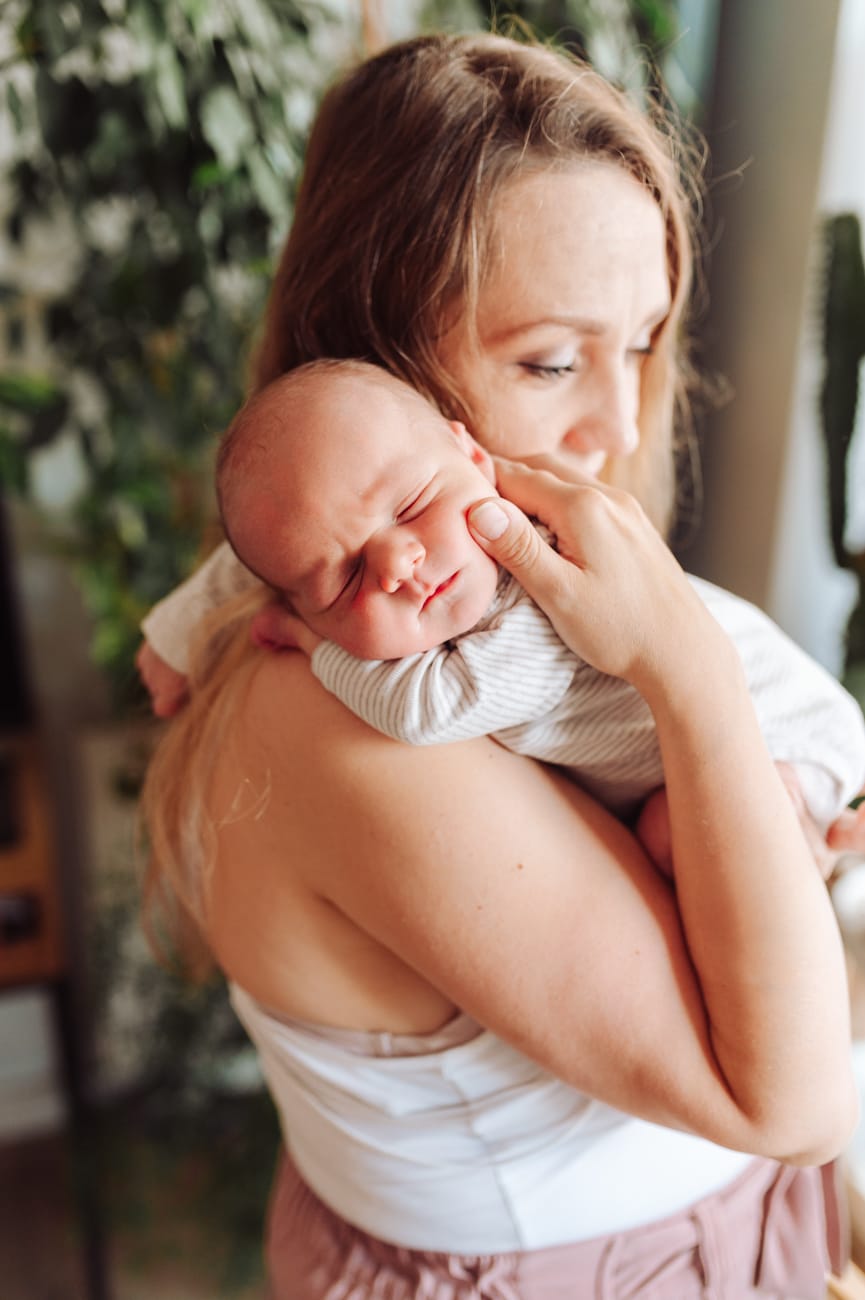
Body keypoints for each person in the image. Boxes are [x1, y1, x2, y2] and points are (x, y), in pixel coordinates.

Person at [138, 31, 865, 1298]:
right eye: (548, 359)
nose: (622, 424)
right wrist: (684, 672)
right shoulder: (342, 720)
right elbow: (796, 1098)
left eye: (639, 342)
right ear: (376, 365)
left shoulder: (474, 605)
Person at [215, 356, 865, 839]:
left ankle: (815, 835)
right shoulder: (437, 550)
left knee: (684, 840)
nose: (395, 565)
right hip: (703, 747)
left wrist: (311, 644)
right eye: (345, 582)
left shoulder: (530, 596)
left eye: (412, 505)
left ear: (474, 457)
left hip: (788, 728)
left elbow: (425, 711)